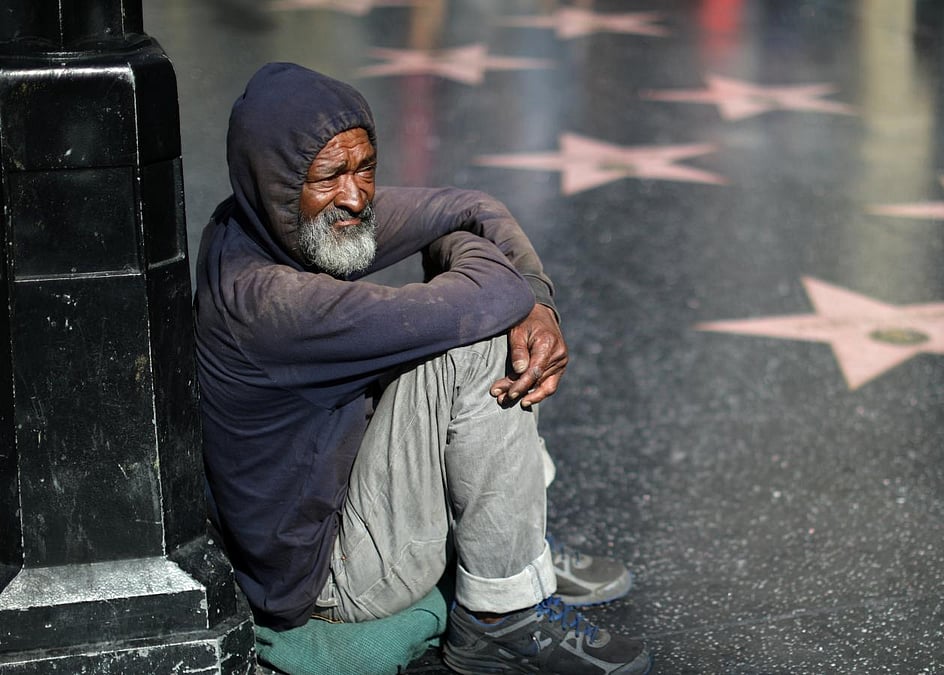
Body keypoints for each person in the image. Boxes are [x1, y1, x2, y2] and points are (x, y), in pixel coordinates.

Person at [194, 62, 653, 674]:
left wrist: (535, 300)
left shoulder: (264, 221)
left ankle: (517, 540)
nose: (356, 197)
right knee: (475, 341)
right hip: (335, 579)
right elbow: (484, 300)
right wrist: (518, 300)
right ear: (274, 185)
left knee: (481, 313)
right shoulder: (269, 301)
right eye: (330, 177)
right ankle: (502, 610)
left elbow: (471, 208)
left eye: (365, 169)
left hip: (341, 491)